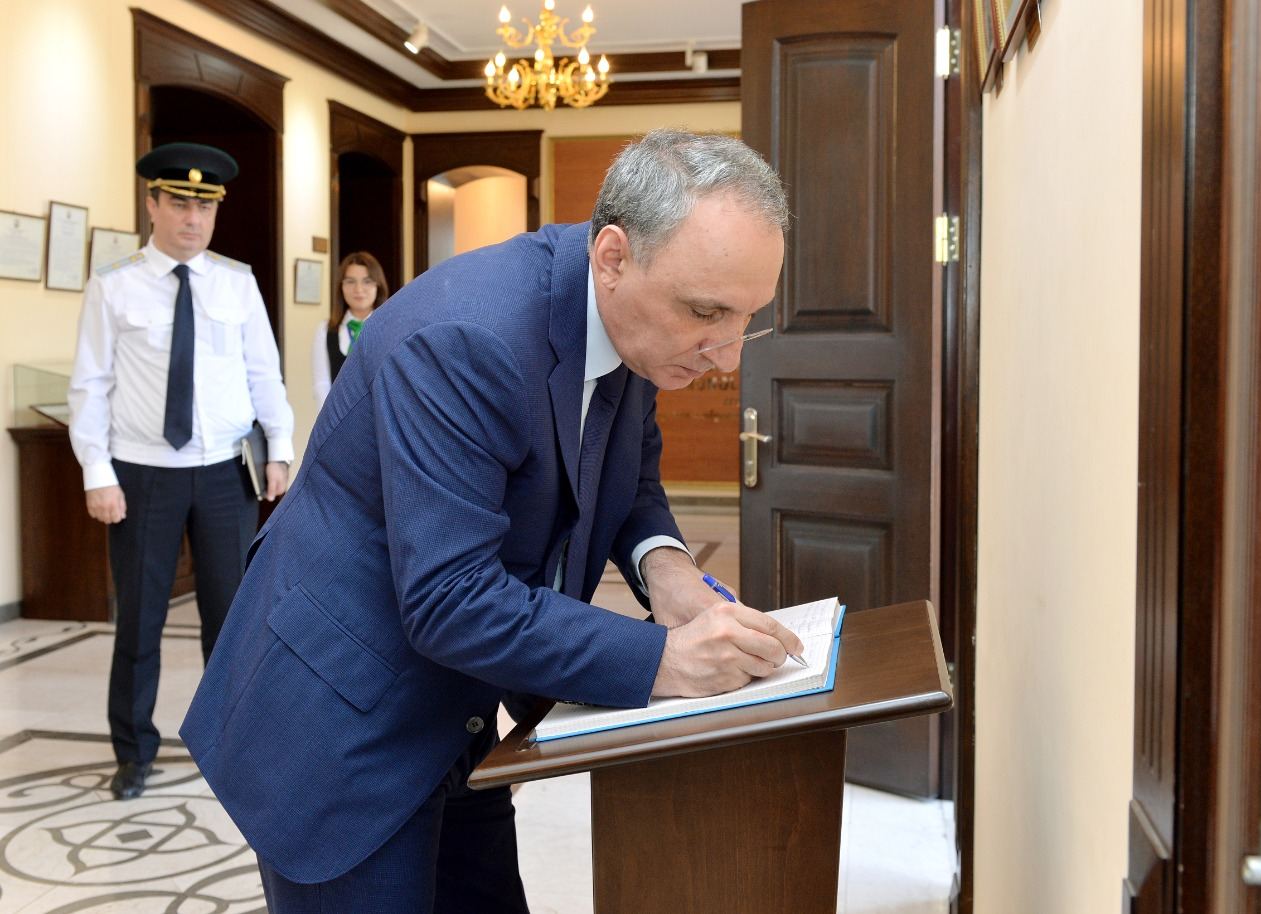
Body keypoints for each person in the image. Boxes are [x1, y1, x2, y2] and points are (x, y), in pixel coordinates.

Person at [180, 129, 798, 912]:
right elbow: (451, 597)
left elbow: (627, 475)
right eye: (707, 313)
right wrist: (664, 660)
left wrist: (667, 571)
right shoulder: (467, 338)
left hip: (458, 707)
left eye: (746, 318)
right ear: (613, 256)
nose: (727, 356)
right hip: (342, 719)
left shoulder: (638, 325)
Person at [68, 142, 294, 802]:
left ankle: (232, 745)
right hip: (142, 475)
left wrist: (280, 448)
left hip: (225, 474)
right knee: (139, 622)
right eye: (179, 204)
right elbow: (90, 383)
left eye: (205, 207)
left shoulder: (236, 282)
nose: (193, 219)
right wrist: (96, 472)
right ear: (152, 204)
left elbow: (264, 373)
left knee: (231, 622)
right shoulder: (113, 285)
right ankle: (133, 751)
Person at [312, 250, 389, 405]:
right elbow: (321, 384)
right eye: (350, 281)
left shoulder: (391, 328)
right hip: (338, 415)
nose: (358, 289)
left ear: (378, 285)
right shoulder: (325, 330)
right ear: (341, 286)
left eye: (367, 281)